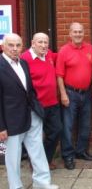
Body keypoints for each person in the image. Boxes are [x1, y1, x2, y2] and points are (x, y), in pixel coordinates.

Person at [0, 33, 58, 189]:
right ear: (3, 46)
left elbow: (29, 90)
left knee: (37, 149)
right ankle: (16, 186)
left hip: (32, 114)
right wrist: (1, 127)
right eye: (11, 45)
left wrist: (37, 107)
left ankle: (42, 183)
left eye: (18, 45)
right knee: (13, 156)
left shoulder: (23, 63)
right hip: (12, 120)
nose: (15, 49)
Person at [56, 22, 92, 170]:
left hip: (86, 93)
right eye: (75, 32)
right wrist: (63, 94)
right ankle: (68, 155)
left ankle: (81, 151)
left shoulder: (89, 48)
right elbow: (59, 75)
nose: (78, 34)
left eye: (80, 32)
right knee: (67, 126)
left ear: (83, 33)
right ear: (70, 34)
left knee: (85, 125)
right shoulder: (64, 51)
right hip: (70, 93)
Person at [20, 32, 62, 170]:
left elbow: (62, 57)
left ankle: (45, 160)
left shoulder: (49, 54)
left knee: (56, 131)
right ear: (33, 43)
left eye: (46, 42)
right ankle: (36, 163)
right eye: (40, 42)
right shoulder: (24, 59)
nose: (43, 45)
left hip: (52, 103)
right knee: (35, 137)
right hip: (36, 105)